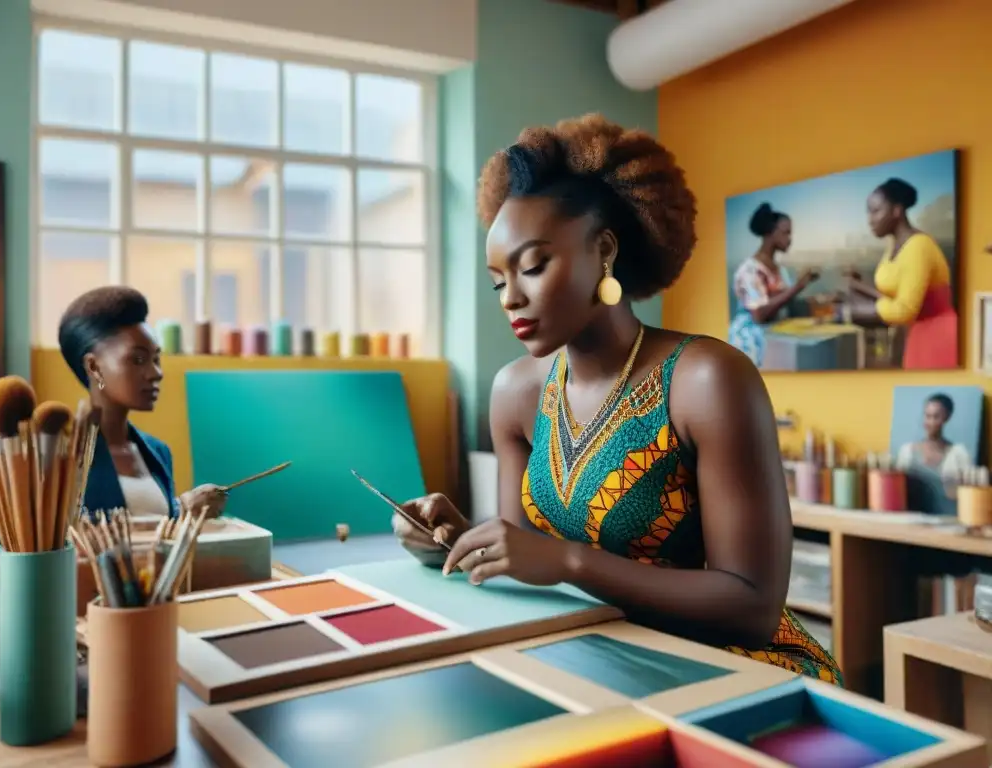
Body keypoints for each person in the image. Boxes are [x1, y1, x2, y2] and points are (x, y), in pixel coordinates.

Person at [393, 115, 842, 685]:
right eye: (498, 280)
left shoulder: (706, 379)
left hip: (730, 670)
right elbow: (522, 559)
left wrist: (570, 562)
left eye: (532, 266)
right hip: (592, 659)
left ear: (603, 251)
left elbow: (752, 608)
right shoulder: (514, 393)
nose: (512, 297)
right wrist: (455, 540)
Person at [0, 286, 227, 566]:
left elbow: (157, 537)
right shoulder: (44, 457)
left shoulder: (158, 452)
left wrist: (182, 510)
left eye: (156, 359)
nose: (156, 373)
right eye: (138, 359)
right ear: (93, 367)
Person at [845, 178, 957, 369]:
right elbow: (895, 297)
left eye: (875, 211)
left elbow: (905, 309)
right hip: (914, 335)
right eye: (868, 213)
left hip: (937, 336)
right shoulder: (893, 245)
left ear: (897, 211)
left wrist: (848, 313)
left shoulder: (919, 246)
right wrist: (860, 285)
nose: (870, 220)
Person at [728, 204, 818, 366]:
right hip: (749, 347)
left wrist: (817, 299)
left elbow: (784, 302)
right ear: (770, 233)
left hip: (774, 345)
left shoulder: (780, 270)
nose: (790, 239)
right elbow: (760, 314)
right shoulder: (749, 270)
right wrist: (798, 286)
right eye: (786, 233)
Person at [895, 393, 972, 490]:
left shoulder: (959, 454)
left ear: (947, 418)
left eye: (936, 417)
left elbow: (965, 491)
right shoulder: (907, 452)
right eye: (927, 416)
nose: (930, 422)